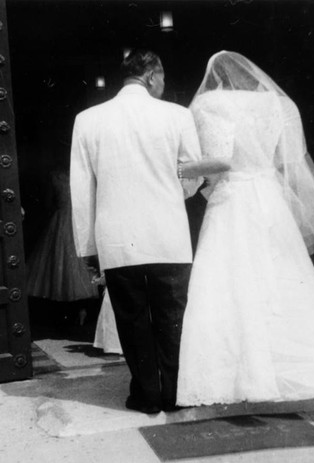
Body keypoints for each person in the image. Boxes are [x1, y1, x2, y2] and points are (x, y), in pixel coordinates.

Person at [177, 51, 314, 407]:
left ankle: (236, 378)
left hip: (233, 198)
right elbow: (284, 161)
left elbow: (220, 159)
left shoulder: (209, 103)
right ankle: (310, 371)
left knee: (229, 281)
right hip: (268, 196)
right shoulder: (276, 104)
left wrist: (189, 173)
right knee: (280, 277)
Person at [70, 49, 228, 414]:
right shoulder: (177, 115)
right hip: (168, 236)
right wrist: (175, 190)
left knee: (132, 321)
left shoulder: (88, 119)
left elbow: (82, 191)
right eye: (163, 78)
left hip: (117, 238)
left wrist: (87, 247)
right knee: (171, 320)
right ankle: (172, 393)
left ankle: (146, 394)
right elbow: (191, 175)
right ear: (153, 75)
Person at [26, 165, 98, 324]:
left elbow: (47, 203)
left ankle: (64, 314)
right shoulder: (84, 172)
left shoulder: (55, 175)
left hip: (61, 221)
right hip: (79, 221)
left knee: (60, 264)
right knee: (75, 264)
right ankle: (79, 311)